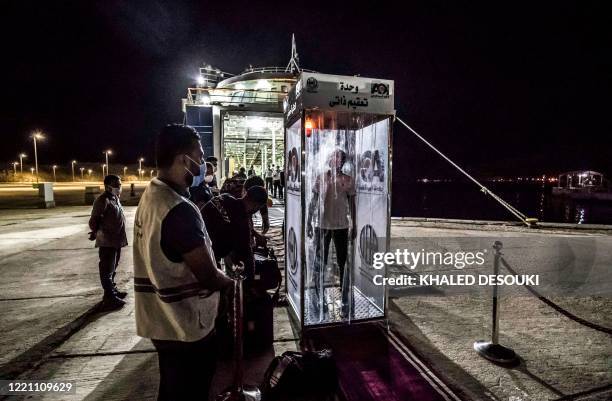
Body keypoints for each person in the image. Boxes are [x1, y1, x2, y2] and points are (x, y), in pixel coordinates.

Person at [133, 124, 233, 401]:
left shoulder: (152, 195)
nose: (203, 164)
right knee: (192, 391)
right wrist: (232, 285)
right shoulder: (178, 209)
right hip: (186, 326)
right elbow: (208, 275)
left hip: (160, 320)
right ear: (182, 159)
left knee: (172, 389)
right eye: (199, 156)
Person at [306, 148, 356, 317]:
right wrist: (308, 222)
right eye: (333, 157)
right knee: (320, 262)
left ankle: (344, 299)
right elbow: (313, 200)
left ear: (342, 162)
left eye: (339, 158)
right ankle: (319, 298)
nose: (336, 160)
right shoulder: (321, 177)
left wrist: (354, 224)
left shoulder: (347, 179)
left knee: (343, 263)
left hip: (341, 226)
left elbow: (352, 204)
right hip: (322, 225)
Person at [201, 186, 268, 280]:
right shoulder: (241, 222)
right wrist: (252, 281)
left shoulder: (225, 197)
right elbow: (246, 256)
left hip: (195, 237)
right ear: (256, 206)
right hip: (204, 255)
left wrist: (254, 234)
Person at [88, 174, 128, 310]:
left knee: (113, 267)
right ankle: (109, 297)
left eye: (120, 185)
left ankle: (113, 290)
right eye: (116, 185)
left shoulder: (115, 198)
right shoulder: (102, 200)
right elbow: (93, 220)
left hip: (116, 240)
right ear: (108, 186)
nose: (119, 187)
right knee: (107, 270)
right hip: (107, 241)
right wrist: (95, 232)